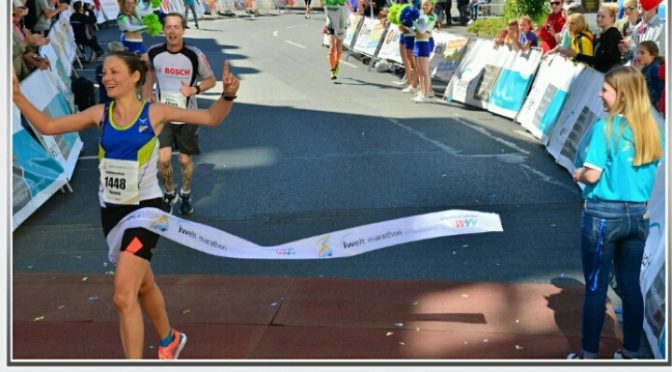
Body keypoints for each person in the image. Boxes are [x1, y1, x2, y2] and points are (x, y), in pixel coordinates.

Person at [12, 50, 240, 359]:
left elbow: (211, 117)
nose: (106, 77)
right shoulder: (100, 114)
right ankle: (169, 339)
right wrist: (17, 97)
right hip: (112, 212)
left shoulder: (155, 113)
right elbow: (50, 126)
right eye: (104, 72)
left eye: (114, 71)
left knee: (122, 295)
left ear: (135, 77)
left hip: (146, 211)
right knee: (143, 285)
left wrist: (226, 96)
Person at [569, 65, 663, 360]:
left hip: (602, 216)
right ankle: (631, 353)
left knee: (596, 288)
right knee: (631, 286)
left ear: (621, 95)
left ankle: (588, 355)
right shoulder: (651, 129)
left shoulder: (606, 128)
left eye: (605, 89)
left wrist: (578, 173)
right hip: (638, 217)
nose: (600, 93)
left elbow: (593, 175)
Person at [143, 13, 217, 215]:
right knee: (164, 158)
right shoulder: (154, 52)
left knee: (185, 159)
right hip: (163, 115)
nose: (172, 31)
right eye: (168, 27)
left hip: (187, 115)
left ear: (183, 30)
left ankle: (185, 193)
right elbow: (149, 73)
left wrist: (195, 90)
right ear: (163, 30)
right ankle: (169, 192)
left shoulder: (195, 54)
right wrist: (148, 92)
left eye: (176, 27)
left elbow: (211, 80)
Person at [559, 4, 622, 73]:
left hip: (609, 77)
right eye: (598, 16)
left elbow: (600, 61)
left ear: (612, 18)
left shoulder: (613, 35)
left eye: (603, 16)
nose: (599, 19)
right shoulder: (604, 35)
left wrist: (575, 55)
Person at [619, 0, 665, 64]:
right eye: (639, 1)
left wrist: (632, 46)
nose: (640, 3)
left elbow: (656, 56)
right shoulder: (637, 27)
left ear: (656, 6)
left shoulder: (662, 27)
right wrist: (626, 50)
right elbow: (632, 57)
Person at [411, 0, 436, 103]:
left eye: (427, 4)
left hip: (424, 44)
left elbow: (422, 29)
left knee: (424, 72)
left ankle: (425, 95)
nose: (425, 6)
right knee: (420, 71)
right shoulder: (421, 14)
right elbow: (414, 29)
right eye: (423, 4)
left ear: (431, 6)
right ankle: (421, 92)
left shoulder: (431, 16)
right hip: (417, 43)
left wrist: (413, 21)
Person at [634, 41, 664, 109]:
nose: (638, 56)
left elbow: (661, 92)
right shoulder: (646, 68)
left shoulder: (655, 69)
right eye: (637, 53)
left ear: (653, 54)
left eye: (642, 53)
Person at [324, 0, 349, 80]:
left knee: (339, 49)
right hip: (331, 25)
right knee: (331, 49)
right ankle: (332, 70)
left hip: (341, 26)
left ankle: (337, 62)